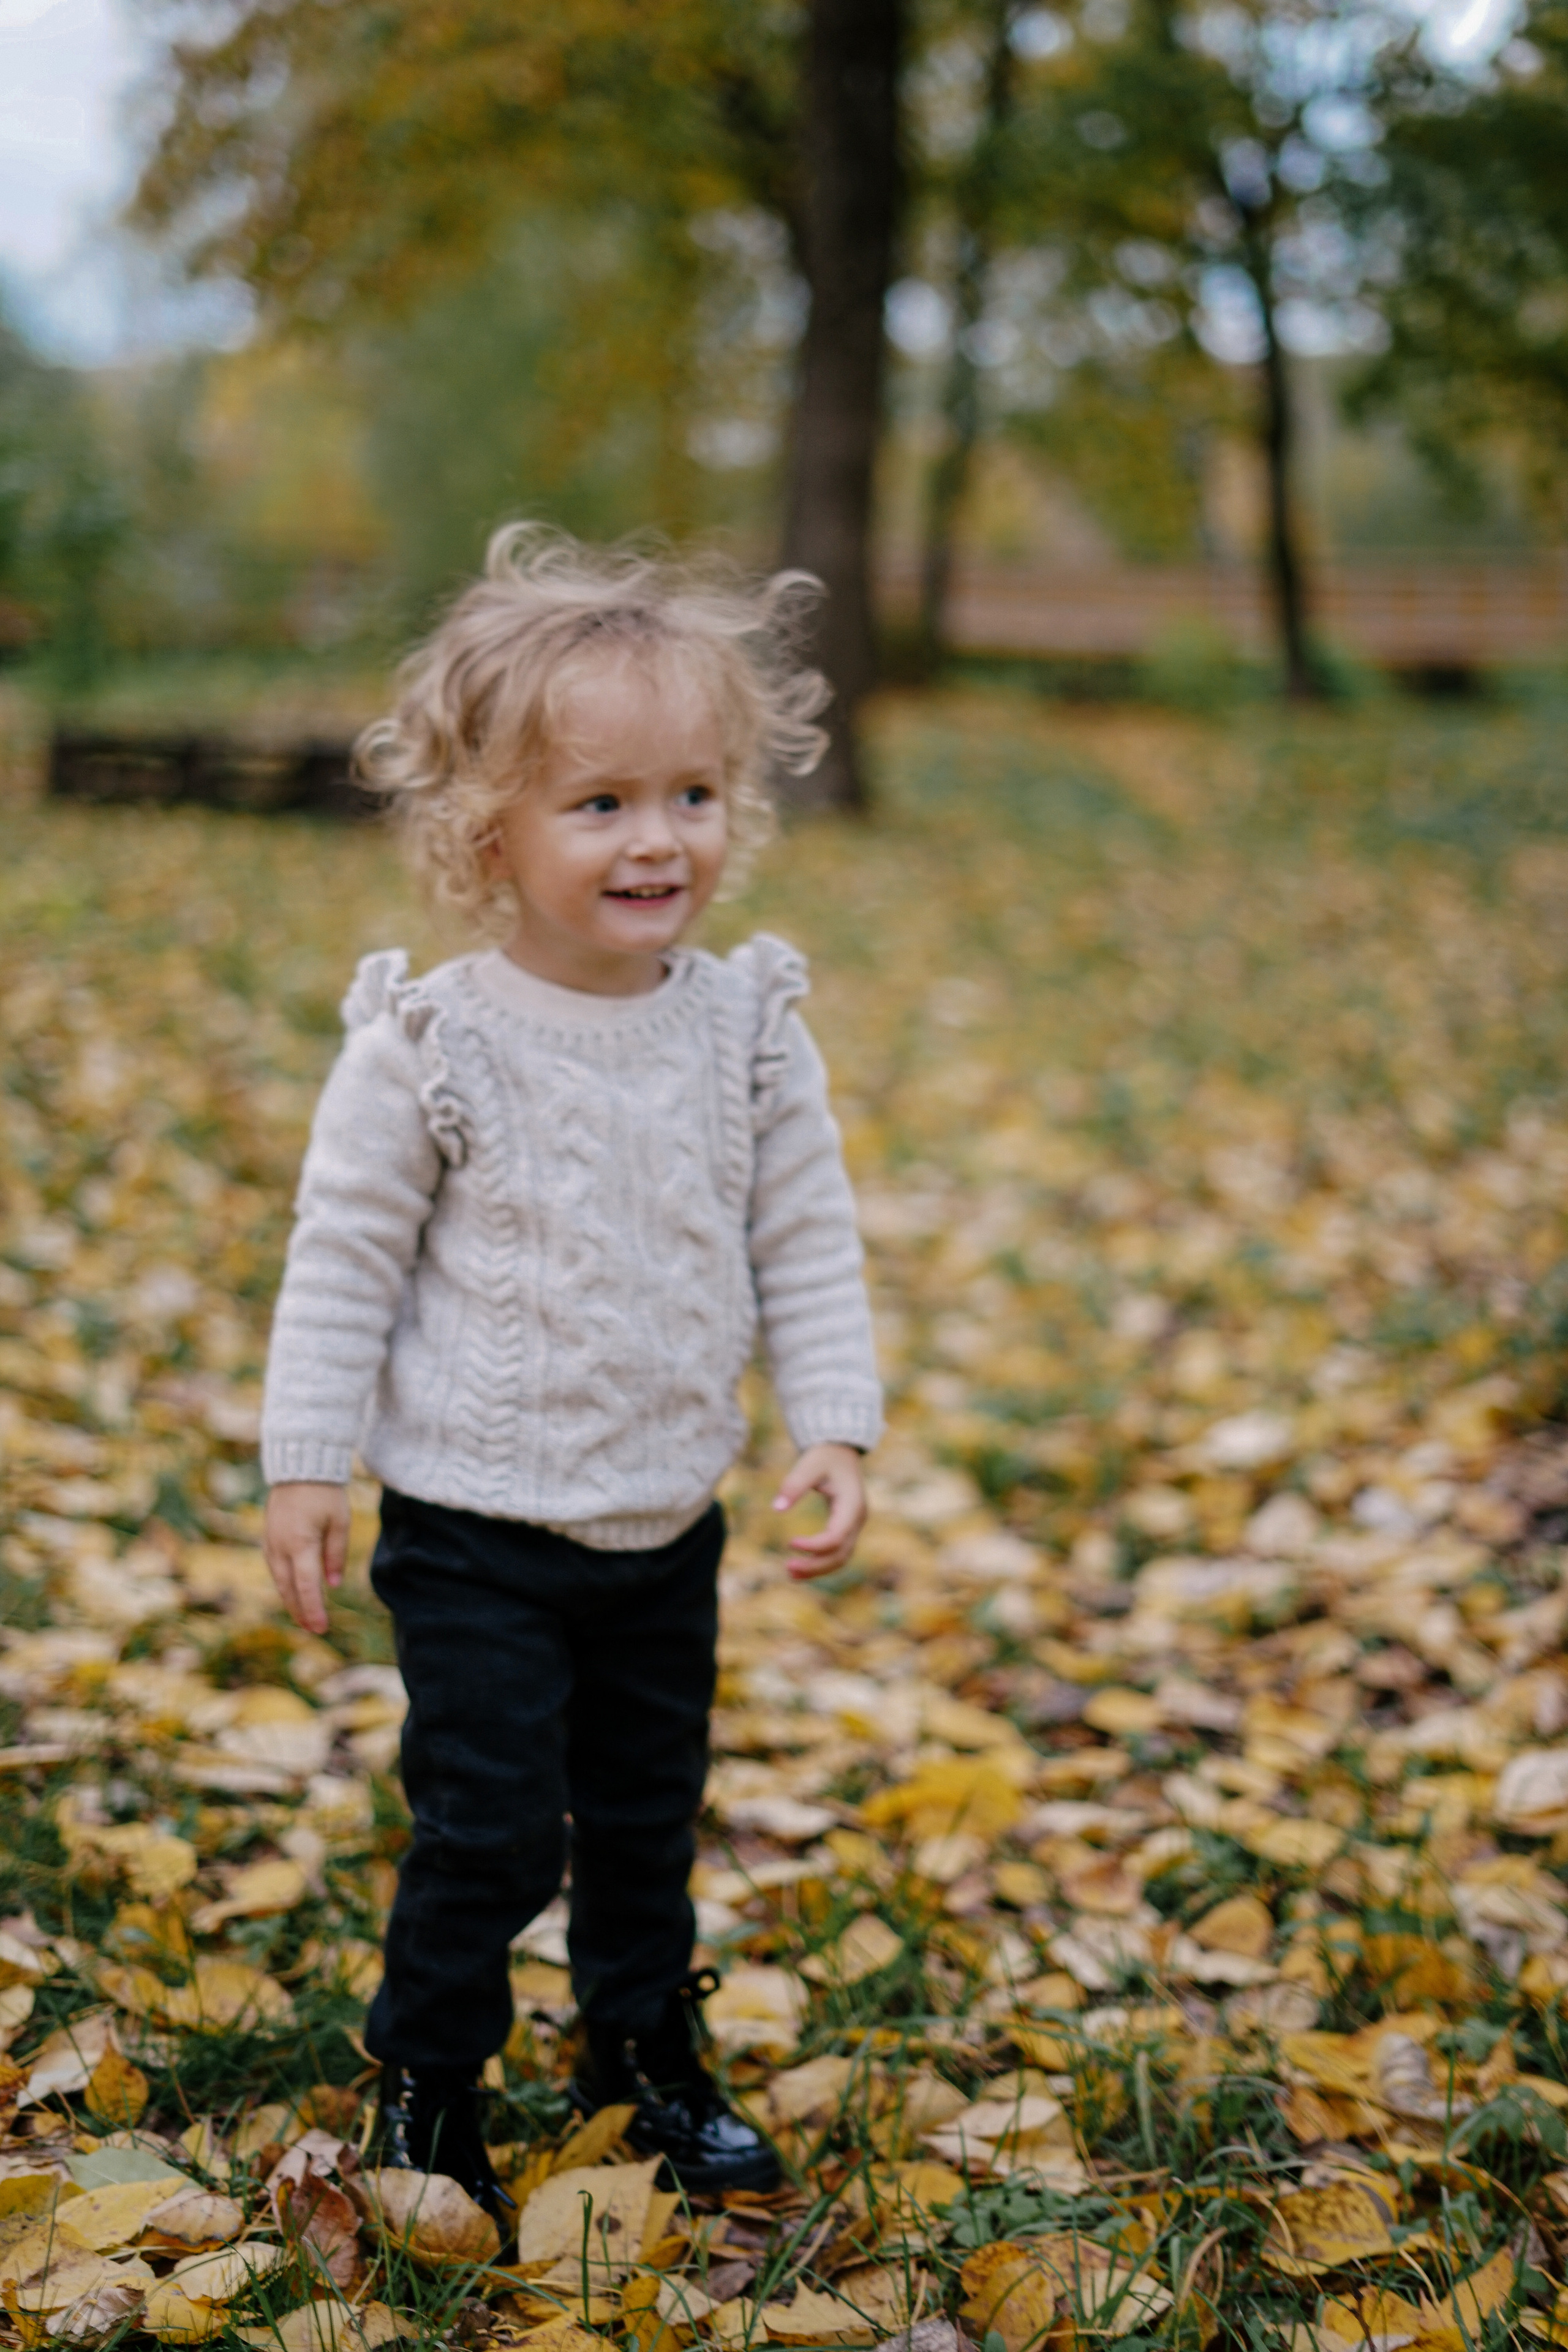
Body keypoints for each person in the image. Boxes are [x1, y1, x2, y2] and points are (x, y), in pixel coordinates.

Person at [258, 525, 883, 2231]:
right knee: (486, 1828)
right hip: (473, 1527)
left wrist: (834, 1416)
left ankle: (642, 2052)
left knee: (643, 1820)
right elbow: (343, 1258)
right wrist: (307, 1458)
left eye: (690, 793)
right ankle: (430, 2080)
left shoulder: (749, 1026)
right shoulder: (431, 1046)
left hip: (664, 1521)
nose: (654, 837)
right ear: (490, 831)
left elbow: (806, 1236)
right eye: (598, 802)